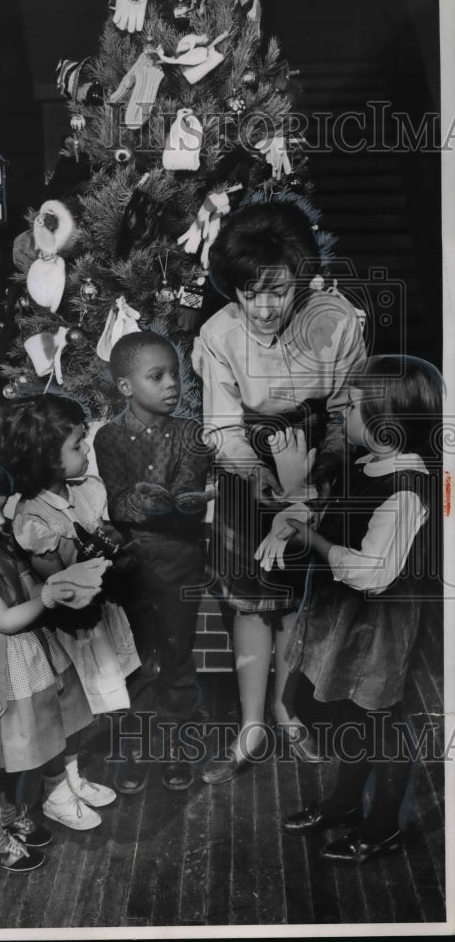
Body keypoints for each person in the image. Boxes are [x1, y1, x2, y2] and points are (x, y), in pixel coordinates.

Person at [191, 200, 367, 783]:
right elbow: (221, 428)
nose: (263, 308)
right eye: (248, 292)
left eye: (278, 290)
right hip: (248, 465)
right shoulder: (218, 334)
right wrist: (263, 481)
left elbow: (348, 412)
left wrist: (316, 481)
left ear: (302, 277)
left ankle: (285, 709)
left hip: (318, 457)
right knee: (249, 595)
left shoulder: (337, 321)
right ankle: (251, 726)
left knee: (297, 595)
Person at [259, 355, 442, 863]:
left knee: (381, 727)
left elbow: (370, 573)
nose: (343, 407)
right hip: (352, 622)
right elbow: (336, 515)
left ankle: (383, 827)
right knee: (356, 720)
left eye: (355, 404)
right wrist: (295, 513)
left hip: (380, 630)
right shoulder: (370, 465)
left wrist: (306, 534)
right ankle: (344, 804)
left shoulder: (408, 491)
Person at [0, 452, 115, 871]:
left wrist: (66, 585)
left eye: (2, 508)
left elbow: (27, 587)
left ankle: (8, 816)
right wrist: (52, 596)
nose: (1, 521)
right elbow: (6, 619)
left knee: (14, 750)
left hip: (18, 662)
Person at [93, 331, 213, 792]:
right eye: (156, 376)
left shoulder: (190, 433)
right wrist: (164, 503)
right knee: (141, 658)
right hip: (131, 567)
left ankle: (177, 745)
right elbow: (120, 504)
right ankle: (142, 745)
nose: (172, 385)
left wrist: (172, 502)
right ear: (125, 386)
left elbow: (188, 495)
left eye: (175, 375)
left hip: (180, 563)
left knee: (178, 655)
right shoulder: (109, 438)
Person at [0, 394, 141, 718]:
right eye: (77, 446)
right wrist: (105, 572)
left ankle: (118, 716)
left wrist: (117, 547)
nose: (86, 449)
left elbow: (103, 532)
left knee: (117, 676)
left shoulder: (85, 489)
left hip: (104, 603)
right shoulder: (34, 519)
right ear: (44, 460)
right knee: (89, 690)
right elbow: (59, 583)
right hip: (78, 621)